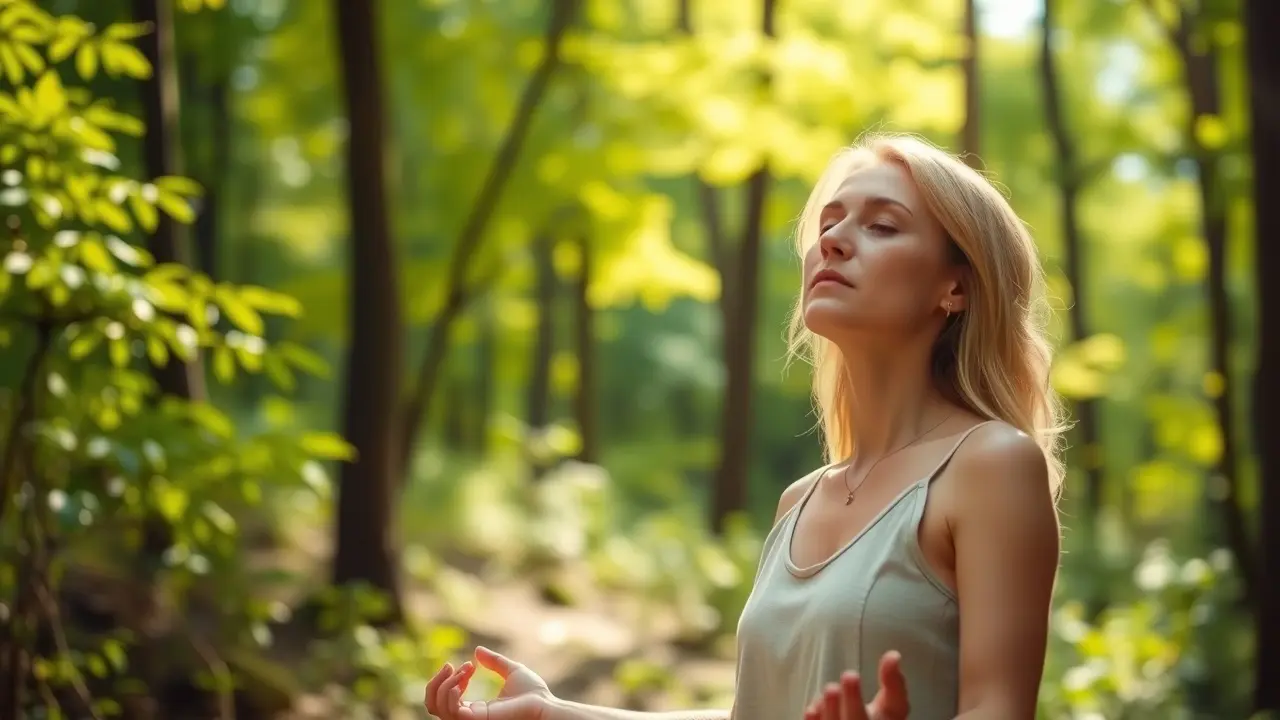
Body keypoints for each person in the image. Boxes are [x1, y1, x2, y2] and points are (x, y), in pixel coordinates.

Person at [424, 132, 1066, 720]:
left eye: (883, 226)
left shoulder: (990, 463)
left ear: (954, 289)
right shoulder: (799, 501)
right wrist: (553, 714)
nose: (835, 240)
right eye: (831, 221)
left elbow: (999, 709)